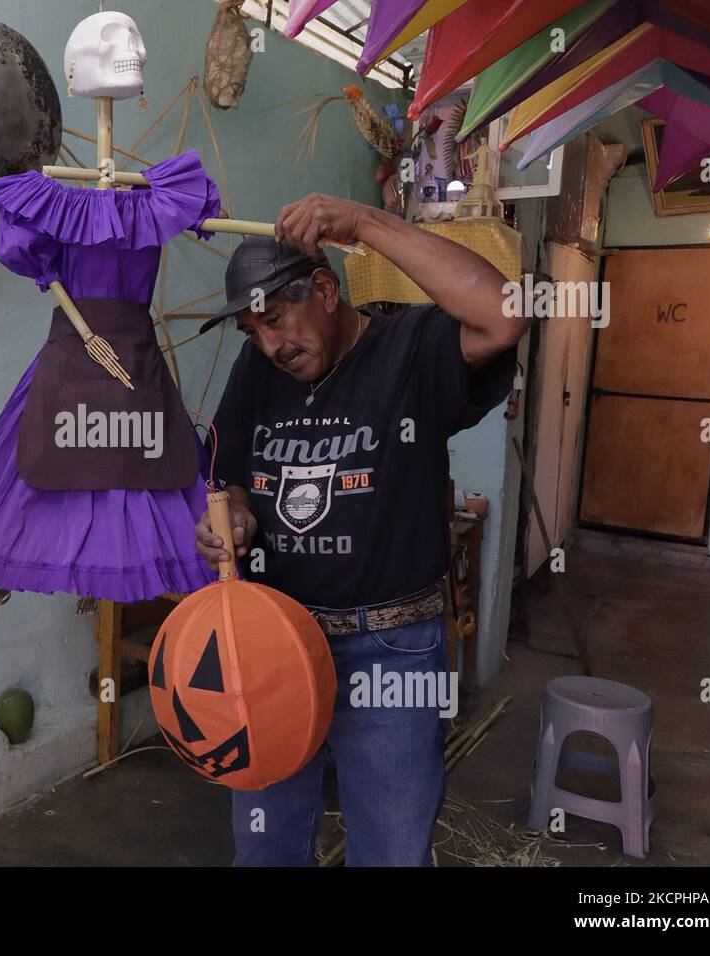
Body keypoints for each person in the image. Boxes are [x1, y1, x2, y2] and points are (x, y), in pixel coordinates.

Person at [196, 194, 525, 866]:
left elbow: (506, 312)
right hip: (276, 644)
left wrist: (370, 224)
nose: (270, 344)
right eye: (252, 332)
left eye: (276, 320)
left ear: (324, 288)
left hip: (391, 650)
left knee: (391, 847)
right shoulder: (258, 372)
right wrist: (231, 513)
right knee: (266, 844)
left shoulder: (411, 349)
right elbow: (226, 474)